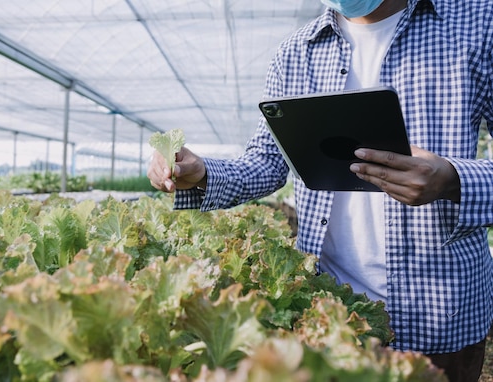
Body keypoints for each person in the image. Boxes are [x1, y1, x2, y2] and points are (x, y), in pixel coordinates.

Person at [147, 0, 493, 381]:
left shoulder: (476, 22)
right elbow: (267, 162)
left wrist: (453, 179)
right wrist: (201, 173)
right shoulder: (296, 51)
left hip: (440, 316)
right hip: (329, 314)